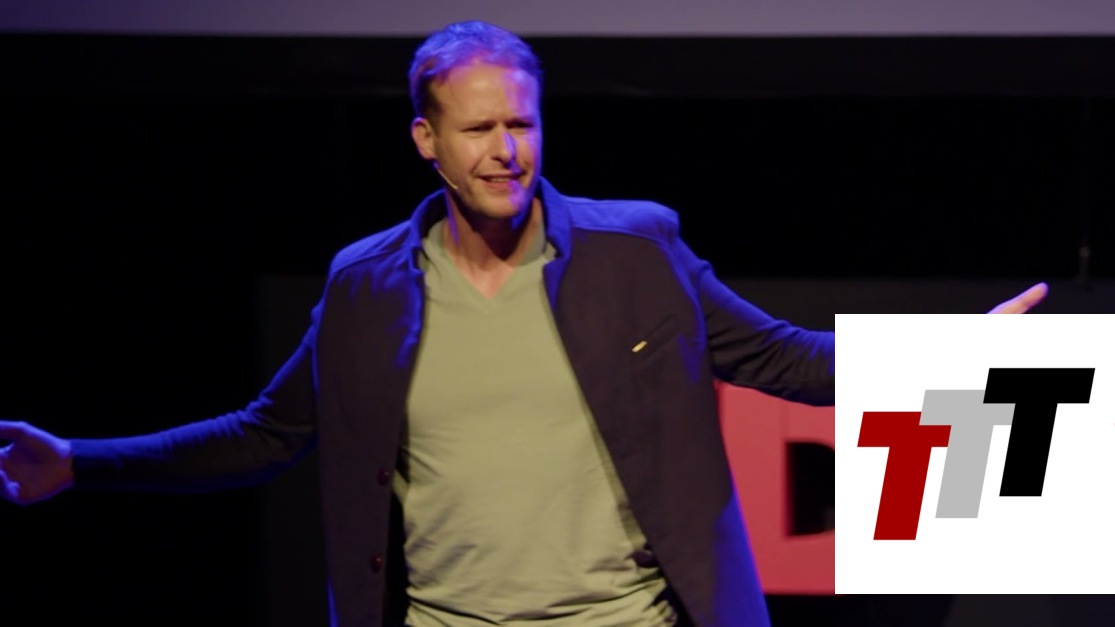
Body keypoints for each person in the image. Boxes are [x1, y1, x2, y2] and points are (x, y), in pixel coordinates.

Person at [0, 20, 1047, 627]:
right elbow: (267, 432)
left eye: (521, 124)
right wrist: (81, 463)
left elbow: (786, 359)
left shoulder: (636, 250)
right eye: (478, 129)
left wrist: (951, 353)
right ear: (426, 139)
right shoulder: (366, 285)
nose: (505, 151)